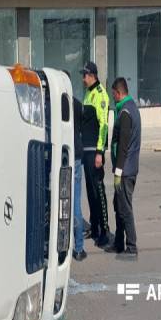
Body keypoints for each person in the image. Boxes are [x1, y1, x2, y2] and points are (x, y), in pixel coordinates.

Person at [105, 78, 142, 260]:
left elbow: (124, 146)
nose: (113, 98)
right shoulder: (130, 108)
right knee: (118, 205)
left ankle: (132, 246)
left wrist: (118, 171)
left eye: (114, 95)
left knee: (125, 208)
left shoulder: (126, 112)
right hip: (126, 168)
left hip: (126, 170)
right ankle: (119, 242)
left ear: (119, 93)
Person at [80, 61, 111, 248]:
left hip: (95, 152)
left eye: (85, 75)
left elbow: (103, 126)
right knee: (90, 192)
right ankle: (95, 226)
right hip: (86, 151)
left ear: (93, 75)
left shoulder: (101, 95)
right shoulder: (88, 93)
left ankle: (104, 230)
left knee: (99, 192)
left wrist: (100, 151)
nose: (83, 79)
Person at [63, 71, 87, 262]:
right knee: (75, 203)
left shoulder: (54, 104)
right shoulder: (78, 104)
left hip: (62, 155)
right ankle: (79, 248)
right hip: (77, 154)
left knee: (61, 201)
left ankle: (62, 248)